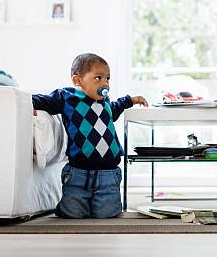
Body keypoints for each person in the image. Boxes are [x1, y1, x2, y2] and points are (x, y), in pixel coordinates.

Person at [32, 53, 148, 218]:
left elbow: (114, 110)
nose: (105, 84)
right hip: (79, 171)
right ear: (77, 81)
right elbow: (43, 100)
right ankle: (72, 205)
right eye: (98, 78)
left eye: (108, 78)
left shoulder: (104, 101)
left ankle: (98, 204)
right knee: (73, 213)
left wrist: (130, 100)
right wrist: (28, 103)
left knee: (107, 213)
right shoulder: (67, 97)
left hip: (108, 172)